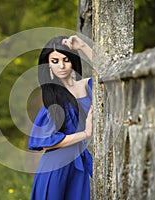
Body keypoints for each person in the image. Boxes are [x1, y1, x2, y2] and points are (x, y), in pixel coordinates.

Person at [28, 35, 93, 200]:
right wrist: (85, 134)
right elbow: (47, 144)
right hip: (54, 167)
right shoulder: (52, 98)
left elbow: (109, 72)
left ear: (73, 61)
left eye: (66, 59)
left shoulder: (87, 85)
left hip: (78, 165)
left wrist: (83, 46)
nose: (62, 66)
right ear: (48, 65)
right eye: (55, 61)